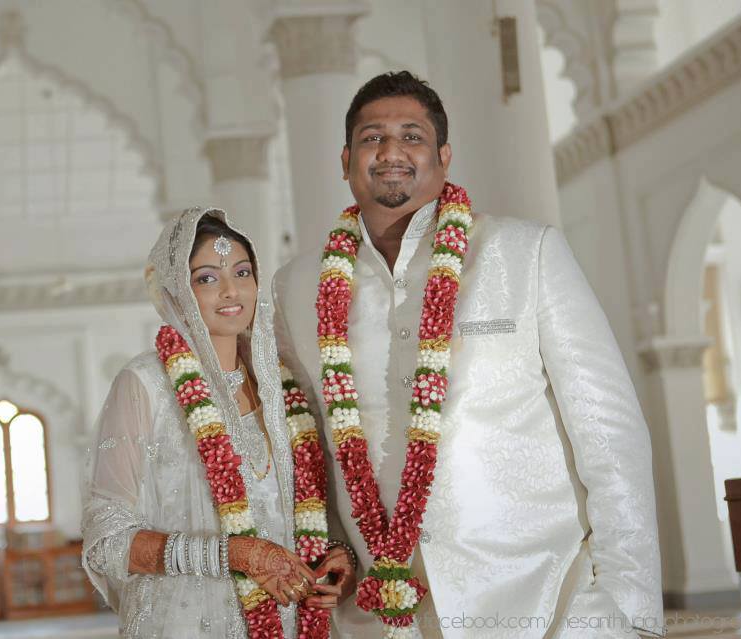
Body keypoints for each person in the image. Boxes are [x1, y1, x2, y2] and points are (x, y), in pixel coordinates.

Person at [272, 71, 664, 638]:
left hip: (547, 600)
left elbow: (610, 432)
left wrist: (630, 608)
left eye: (412, 136)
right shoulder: (296, 286)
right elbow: (304, 446)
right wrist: (328, 548)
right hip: (381, 613)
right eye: (371, 137)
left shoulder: (524, 253)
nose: (390, 151)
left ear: (444, 155)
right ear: (345, 159)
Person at [82, 208, 356, 638]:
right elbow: (107, 544)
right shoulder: (145, 384)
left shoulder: (283, 384)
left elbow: (305, 506)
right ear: (176, 290)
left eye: (243, 272)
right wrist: (234, 554)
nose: (231, 290)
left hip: (290, 622)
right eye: (207, 278)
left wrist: (335, 554)